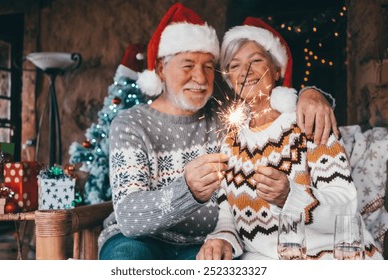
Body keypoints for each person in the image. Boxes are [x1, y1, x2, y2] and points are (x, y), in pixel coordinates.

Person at [98, 3, 339, 260]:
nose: (201, 79)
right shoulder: (131, 124)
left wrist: (311, 94)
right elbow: (129, 218)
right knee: (128, 259)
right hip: (139, 241)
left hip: (206, 243)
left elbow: (271, 109)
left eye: (208, 66)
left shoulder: (229, 121)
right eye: (188, 66)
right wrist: (187, 191)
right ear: (160, 69)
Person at [196, 17, 383, 260]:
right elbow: (227, 216)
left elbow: (346, 206)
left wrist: (290, 196)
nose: (245, 72)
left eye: (256, 60)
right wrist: (222, 237)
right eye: (234, 65)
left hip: (330, 256)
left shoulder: (307, 122)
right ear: (230, 80)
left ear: (276, 69)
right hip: (267, 261)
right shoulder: (230, 143)